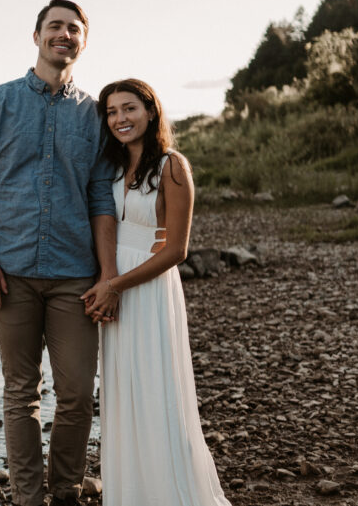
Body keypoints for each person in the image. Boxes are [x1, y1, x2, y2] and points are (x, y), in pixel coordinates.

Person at [0, 0, 118, 506]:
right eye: (55, 26)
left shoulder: (95, 115)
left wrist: (108, 275)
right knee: (21, 393)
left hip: (76, 275)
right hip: (11, 273)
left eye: (74, 29)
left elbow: (99, 196)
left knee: (75, 396)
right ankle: (28, 499)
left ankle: (67, 493)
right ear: (36, 37)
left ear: (83, 42)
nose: (64, 35)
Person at [81, 79, 231, 506]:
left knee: (154, 388)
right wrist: (105, 278)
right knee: (122, 393)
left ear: (150, 111)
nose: (120, 119)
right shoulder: (108, 168)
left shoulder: (172, 166)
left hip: (147, 287)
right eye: (111, 112)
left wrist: (114, 285)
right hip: (113, 279)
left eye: (129, 109)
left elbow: (177, 250)